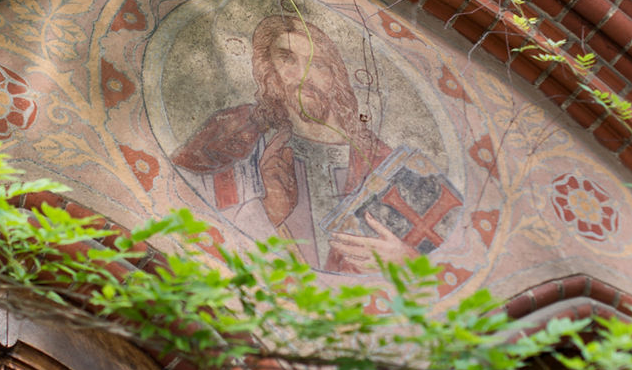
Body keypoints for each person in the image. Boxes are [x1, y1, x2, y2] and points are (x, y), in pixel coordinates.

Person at [172, 15, 451, 272]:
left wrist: (407, 259)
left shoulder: (384, 163)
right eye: (288, 60)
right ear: (269, 74)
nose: (304, 75)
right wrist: (265, 212)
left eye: (317, 64)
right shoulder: (236, 142)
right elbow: (181, 217)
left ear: (335, 77)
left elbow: (452, 255)